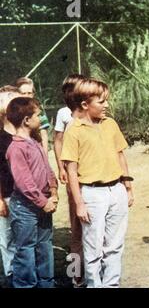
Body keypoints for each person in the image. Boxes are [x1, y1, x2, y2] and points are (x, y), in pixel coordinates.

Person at [61, 78, 134, 288]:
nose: (107, 105)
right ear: (85, 104)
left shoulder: (110, 124)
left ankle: (112, 285)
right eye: (101, 102)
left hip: (117, 190)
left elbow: (121, 156)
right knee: (92, 249)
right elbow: (71, 172)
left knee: (115, 246)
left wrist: (128, 188)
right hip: (92, 195)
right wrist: (80, 203)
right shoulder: (73, 131)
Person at [6, 97, 58, 288]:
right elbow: (24, 183)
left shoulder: (35, 143)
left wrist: (53, 190)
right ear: (27, 120)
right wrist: (43, 202)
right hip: (26, 208)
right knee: (26, 251)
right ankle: (25, 285)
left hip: (43, 204)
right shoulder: (16, 148)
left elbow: (47, 168)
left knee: (45, 247)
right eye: (38, 114)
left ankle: (47, 284)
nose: (41, 118)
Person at [53, 73, 86, 287]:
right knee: (76, 227)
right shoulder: (64, 114)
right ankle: (76, 274)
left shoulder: (91, 111)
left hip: (93, 174)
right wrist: (60, 166)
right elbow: (57, 141)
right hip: (73, 173)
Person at [0, 86, 21, 287]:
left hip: (26, 196)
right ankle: (11, 275)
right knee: (7, 239)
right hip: (6, 195)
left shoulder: (26, 134)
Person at [15, 77, 51, 155]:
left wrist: (45, 155)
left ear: (33, 94)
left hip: (35, 148)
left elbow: (43, 134)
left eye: (29, 93)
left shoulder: (38, 109)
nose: (26, 96)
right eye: (23, 93)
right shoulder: (13, 110)